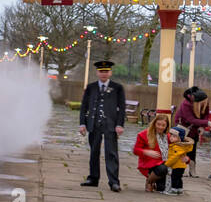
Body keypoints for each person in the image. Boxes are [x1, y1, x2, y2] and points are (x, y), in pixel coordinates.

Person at [78, 59, 125, 191]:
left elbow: (121, 108)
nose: (104, 73)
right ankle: (93, 178)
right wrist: (82, 123)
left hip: (110, 125)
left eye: (106, 71)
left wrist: (120, 125)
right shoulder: (91, 87)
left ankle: (114, 182)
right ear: (97, 73)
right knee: (94, 152)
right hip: (94, 124)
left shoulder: (117, 88)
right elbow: (84, 107)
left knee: (111, 153)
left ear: (110, 73)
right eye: (101, 71)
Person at [133, 113, 182, 193]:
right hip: (149, 164)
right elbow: (135, 150)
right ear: (154, 123)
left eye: (163, 125)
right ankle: (149, 181)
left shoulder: (168, 136)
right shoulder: (144, 134)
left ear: (166, 126)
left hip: (163, 164)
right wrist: (146, 152)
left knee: (162, 188)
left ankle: (156, 181)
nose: (160, 127)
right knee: (162, 168)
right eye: (158, 124)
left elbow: (178, 149)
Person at [172, 88, 211, 177]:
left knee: (193, 148)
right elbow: (190, 119)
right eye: (203, 102)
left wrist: (202, 127)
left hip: (195, 128)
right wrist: (207, 123)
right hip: (183, 128)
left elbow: (206, 114)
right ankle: (180, 169)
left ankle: (192, 170)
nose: (205, 104)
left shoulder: (204, 101)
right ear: (197, 102)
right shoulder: (186, 104)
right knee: (182, 149)